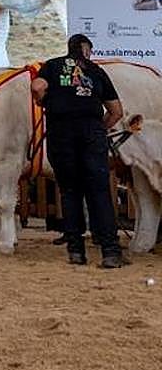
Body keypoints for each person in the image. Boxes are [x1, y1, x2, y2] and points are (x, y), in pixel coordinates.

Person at [31, 34, 126, 268]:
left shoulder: (52, 65)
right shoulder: (96, 70)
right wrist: (99, 129)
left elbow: (37, 85)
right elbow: (116, 111)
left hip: (60, 133)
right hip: (90, 133)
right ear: (87, 51)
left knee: (70, 191)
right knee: (99, 192)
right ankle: (110, 252)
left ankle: (76, 250)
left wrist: (43, 101)